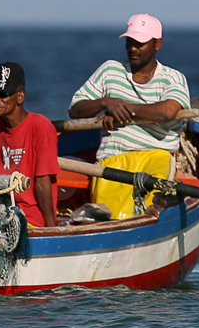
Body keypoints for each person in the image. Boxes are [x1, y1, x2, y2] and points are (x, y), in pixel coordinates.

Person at [68, 14, 191, 219]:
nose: (133, 48)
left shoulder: (173, 78)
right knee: (112, 217)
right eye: (130, 42)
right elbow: (75, 109)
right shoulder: (110, 70)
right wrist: (105, 103)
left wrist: (125, 109)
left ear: (157, 44)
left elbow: (167, 111)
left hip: (156, 155)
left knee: (153, 209)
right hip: (112, 158)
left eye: (140, 43)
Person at [0, 61, 60, 227]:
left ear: (20, 97)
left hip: (29, 220)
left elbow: (42, 183)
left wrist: (51, 228)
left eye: (2, 94)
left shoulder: (41, 127)